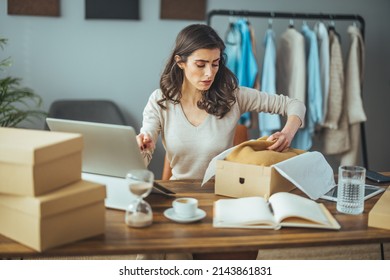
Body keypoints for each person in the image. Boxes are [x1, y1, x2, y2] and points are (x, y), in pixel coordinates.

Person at [137, 24, 306, 181]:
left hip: (223, 191)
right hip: (180, 196)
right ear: (180, 62)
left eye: (215, 64)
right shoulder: (160, 101)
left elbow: (295, 104)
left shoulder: (234, 96)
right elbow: (143, 154)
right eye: (201, 65)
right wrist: (141, 148)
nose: (209, 73)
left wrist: (287, 133)